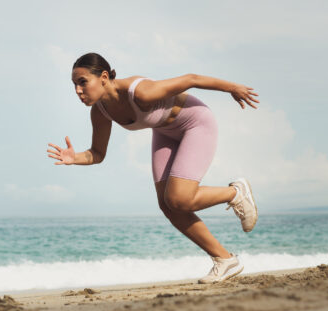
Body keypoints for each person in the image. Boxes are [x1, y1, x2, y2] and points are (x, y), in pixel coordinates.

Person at [47, 52, 260, 284]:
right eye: (74, 84)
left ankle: (236, 192)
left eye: (82, 82)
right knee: (168, 205)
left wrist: (233, 88)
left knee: (179, 199)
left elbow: (191, 79)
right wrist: (74, 158)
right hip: (165, 131)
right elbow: (98, 154)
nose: (78, 90)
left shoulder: (140, 92)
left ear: (104, 77)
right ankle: (225, 260)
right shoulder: (100, 111)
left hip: (195, 123)